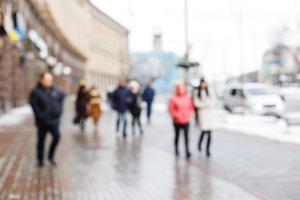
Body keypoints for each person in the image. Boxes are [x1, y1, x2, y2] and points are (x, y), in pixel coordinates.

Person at [29, 72, 65, 167]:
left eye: (50, 80)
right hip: (42, 122)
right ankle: (40, 160)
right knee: (41, 141)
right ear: (41, 80)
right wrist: (41, 116)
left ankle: (51, 156)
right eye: (47, 80)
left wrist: (58, 112)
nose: (49, 82)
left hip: (54, 121)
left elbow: (60, 101)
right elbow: (34, 106)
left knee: (56, 137)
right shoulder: (36, 92)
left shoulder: (55, 91)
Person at [169, 83, 194, 159]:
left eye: (182, 88)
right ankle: (176, 150)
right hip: (177, 121)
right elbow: (171, 109)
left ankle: (187, 151)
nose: (181, 90)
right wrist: (177, 116)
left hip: (186, 120)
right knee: (177, 135)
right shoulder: (174, 98)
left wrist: (189, 114)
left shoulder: (188, 98)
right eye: (180, 89)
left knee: (186, 136)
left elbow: (191, 107)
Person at [197, 78, 213, 157]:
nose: (203, 85)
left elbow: (213, 101)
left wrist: (207, 104)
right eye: (202, 83)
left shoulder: (209, 91)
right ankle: (199, 145)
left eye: (204, 83)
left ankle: (207, 150)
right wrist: (205, 105)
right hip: (202, 114)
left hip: (209, 115)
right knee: (203, 131)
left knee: (209, 132)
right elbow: (197, 103)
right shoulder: (197, 92)